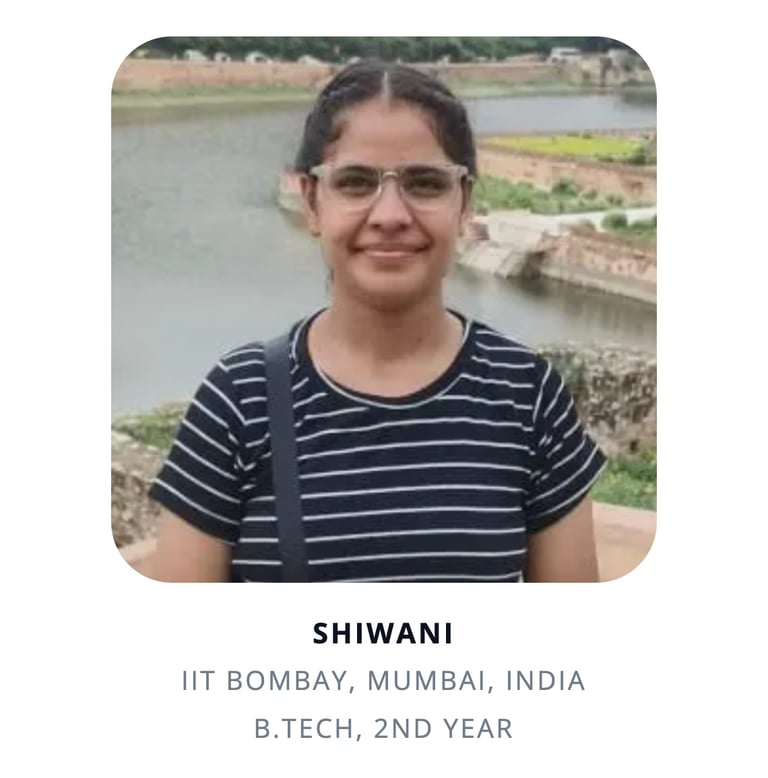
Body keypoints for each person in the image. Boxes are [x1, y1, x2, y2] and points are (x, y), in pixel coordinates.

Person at [147, 60, 606, 583]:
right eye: (356, 183)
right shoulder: (239, 401)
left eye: (425, 183)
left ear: (464, 204)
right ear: (312, 202)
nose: (390, 215)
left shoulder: (528, 398)